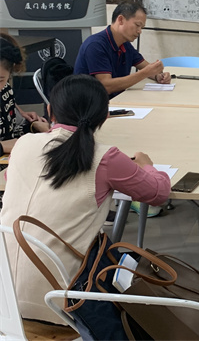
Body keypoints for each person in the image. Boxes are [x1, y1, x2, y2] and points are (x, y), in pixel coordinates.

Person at [0, 75, 171, 324]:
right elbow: (158, 193)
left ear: (50, 110)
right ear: (105, 116)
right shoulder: (105, 157)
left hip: (5, 302)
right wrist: (147, 166)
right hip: (61, 306)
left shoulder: (24, 144)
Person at [73, 1, 171, 98]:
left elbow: (147, 67)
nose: (139, 31)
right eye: (137, 25)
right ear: (120, 20)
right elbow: (106, 86)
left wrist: (158, 76)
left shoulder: (125, 45)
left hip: (115, 100)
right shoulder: (96, 45)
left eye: (142, 27)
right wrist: (146, 73)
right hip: (89, 104)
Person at [0, 33, 50, 156]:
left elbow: (12, 131)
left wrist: (33, 126)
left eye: (0, 80)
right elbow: (9, 142)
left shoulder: (5, 91)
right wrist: (2, 146)